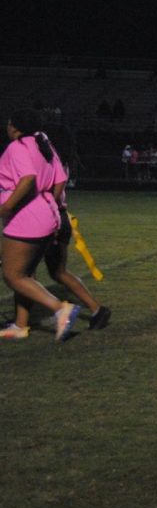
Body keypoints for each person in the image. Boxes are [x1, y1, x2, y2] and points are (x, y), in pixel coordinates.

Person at [0, 109, 81, 341]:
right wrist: (50, 207)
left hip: (25, 218)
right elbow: (60, 179)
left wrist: (7, 208)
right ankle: (20, 325)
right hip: (47, 214)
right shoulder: (42, 143)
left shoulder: (17, 147)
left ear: (14, 127)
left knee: (13, 275)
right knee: (25, 274)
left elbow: (27, 179)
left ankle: (60, 309)